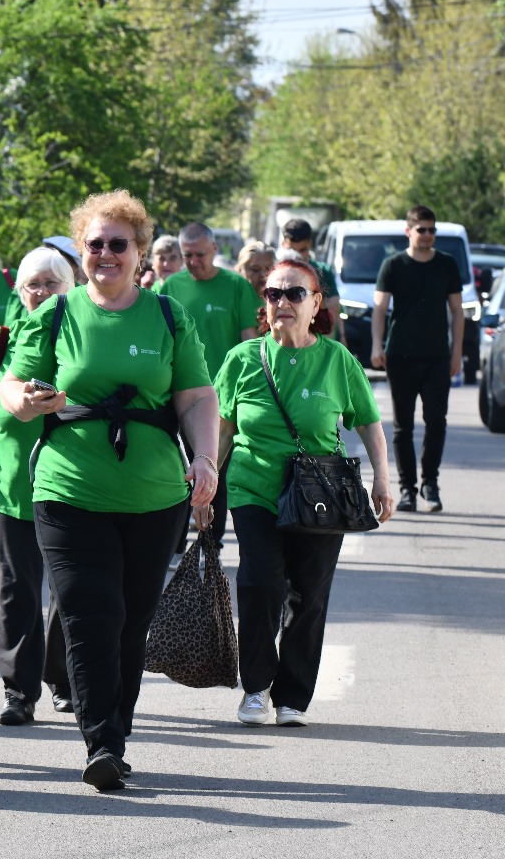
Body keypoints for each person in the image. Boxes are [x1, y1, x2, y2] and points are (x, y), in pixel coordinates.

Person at [0, 190, 219, 791]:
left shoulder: (169, 316)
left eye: (117, 244)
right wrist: (27, 400)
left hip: (155, 497)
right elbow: (11, 386)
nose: (105, 254)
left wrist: (205, 458)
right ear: (80, 250)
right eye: (93, 244)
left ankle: (115, 730)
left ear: (139, 251)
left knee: (129, 621)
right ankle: (102, 742)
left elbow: (196, 397)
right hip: (68, 491)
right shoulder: (56, 313)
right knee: (90, 614)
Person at [212, 259, 394, 727]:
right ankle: (256, 687)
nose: (283, 302)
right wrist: (206, 482)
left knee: (308, 595)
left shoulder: (337, 360)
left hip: (319, 493)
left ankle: (292, 696)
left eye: (295, 294)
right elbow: (223, 428)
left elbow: (368, 422)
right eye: (273, 294)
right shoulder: (243, 359)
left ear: (316, 304)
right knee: (261, 583)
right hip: (253, 488)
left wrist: (382, 478)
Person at [0, 247, 75, 725]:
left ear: (70, 289)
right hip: (12, 491)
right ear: (19, 291)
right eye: (33, 284)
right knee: (16, 593)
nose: (42, 292)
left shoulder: (83, 339)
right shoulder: (0, 339)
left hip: (75, 489)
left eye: (51, 283)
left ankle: (64, 679)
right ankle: (19, 692)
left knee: (71, 592)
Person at [163, 222, 259, 542]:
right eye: (187, 255)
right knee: (177, 470)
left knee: (213, 469)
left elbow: (249, 342)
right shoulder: (171, 286)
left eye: (200, 254)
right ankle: (175, 542)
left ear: (215, 250)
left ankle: (211, 541)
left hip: (221, 397)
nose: (193, 261)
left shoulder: (236, 286)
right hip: (176, 393)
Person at [371, 204, 465, 512]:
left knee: (436, 420)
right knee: (403, 426)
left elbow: (457, 311)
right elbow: (380, 309)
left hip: (437, 356)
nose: (427, 235)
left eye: (431, 230)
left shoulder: (446, 264)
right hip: (401, 355)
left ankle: (430, 484)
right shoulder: (393, 265)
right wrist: (377, 345)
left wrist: (456, 352)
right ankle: (408, 489)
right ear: (408, 231)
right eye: (421, 229)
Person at [278, 218, 342, 339]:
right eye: (292, 250)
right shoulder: (274, 273)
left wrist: (339, 339)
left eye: (302, 250)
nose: (297, 255)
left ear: (310, 244)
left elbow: (333, 311)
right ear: (283, 244)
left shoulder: (323, 271)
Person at [235, 240, 275, 316]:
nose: (263, 274)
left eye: (268, 269)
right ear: (240, 270)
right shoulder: (233, 301)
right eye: (255, 269)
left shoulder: (280, 302)